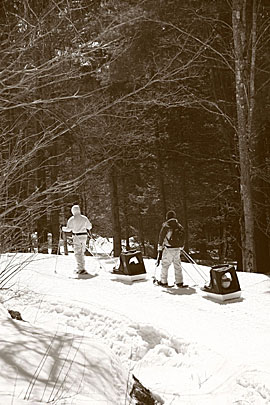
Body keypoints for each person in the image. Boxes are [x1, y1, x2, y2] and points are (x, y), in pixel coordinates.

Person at [157, 210, 186, 287]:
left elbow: (161, 236)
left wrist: (160, 246)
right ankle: (179, 282)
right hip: (177, 249)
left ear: (167, 217)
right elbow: (183, 236)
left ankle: (163, 281)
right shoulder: (179, 226)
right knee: (177, 265)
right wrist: (182, 246)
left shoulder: (166, 226)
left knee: (165, 265)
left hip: (168, 249)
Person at [62, 205, 92, 274]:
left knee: (78, 252)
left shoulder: (72, 219)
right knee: (82, 251)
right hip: (84, 235)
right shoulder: (84, 218)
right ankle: (82, 267)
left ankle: (81, 268)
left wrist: (63, 228)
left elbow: (69, 229)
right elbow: (89, 227)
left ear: (73, 211)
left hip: (76, 236)